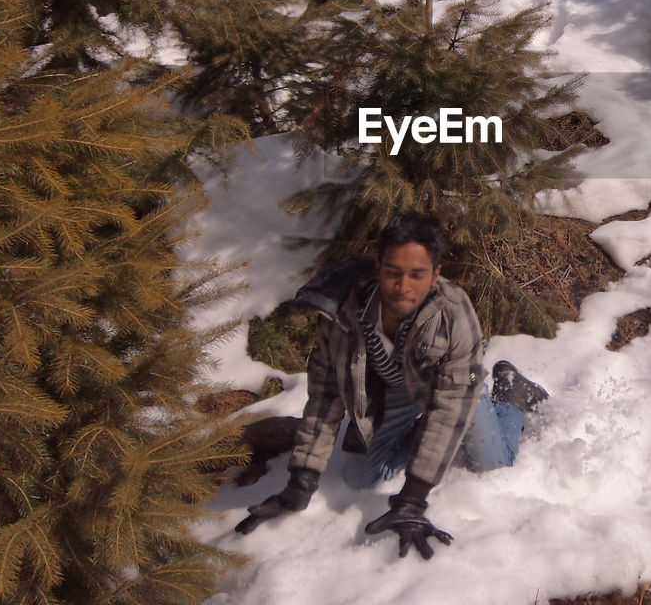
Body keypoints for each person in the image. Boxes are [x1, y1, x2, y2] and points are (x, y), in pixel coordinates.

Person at [234, 212, 548, 560]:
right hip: (391, 395)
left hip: (449, 390)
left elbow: (450, 406)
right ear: (377, 266)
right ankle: (423, 435)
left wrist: (412, 499)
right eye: (393, 273)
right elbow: (325, 395)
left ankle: (511, 395)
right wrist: (301, 481)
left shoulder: (453, 313)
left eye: (417, 275)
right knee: (359, 478)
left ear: (435, 275)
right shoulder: (340, 311)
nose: (402, 287)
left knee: (492, 466)